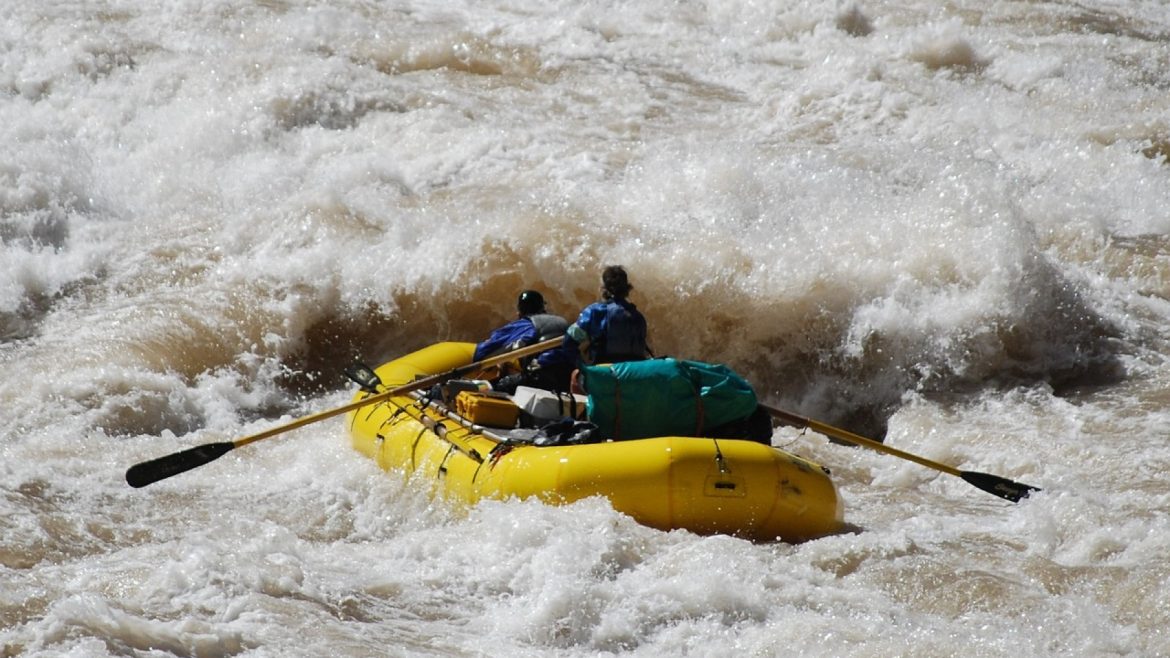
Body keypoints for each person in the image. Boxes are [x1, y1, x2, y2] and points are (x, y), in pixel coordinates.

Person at [474, 290, 574, 393]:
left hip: (539, 379)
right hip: (567, 381)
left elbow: (484, 350)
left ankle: (475, 388)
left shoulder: (524, 324)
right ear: (542, 307)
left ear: (520, 311)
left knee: (491, 385)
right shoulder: (562, 322)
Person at [564, 265, 651, 365]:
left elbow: (569, 341)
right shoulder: (638, 317)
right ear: (627, 288)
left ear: (604, 288)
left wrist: (581, 367)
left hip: (606, 373)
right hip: (634, 374)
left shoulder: (595, 312)